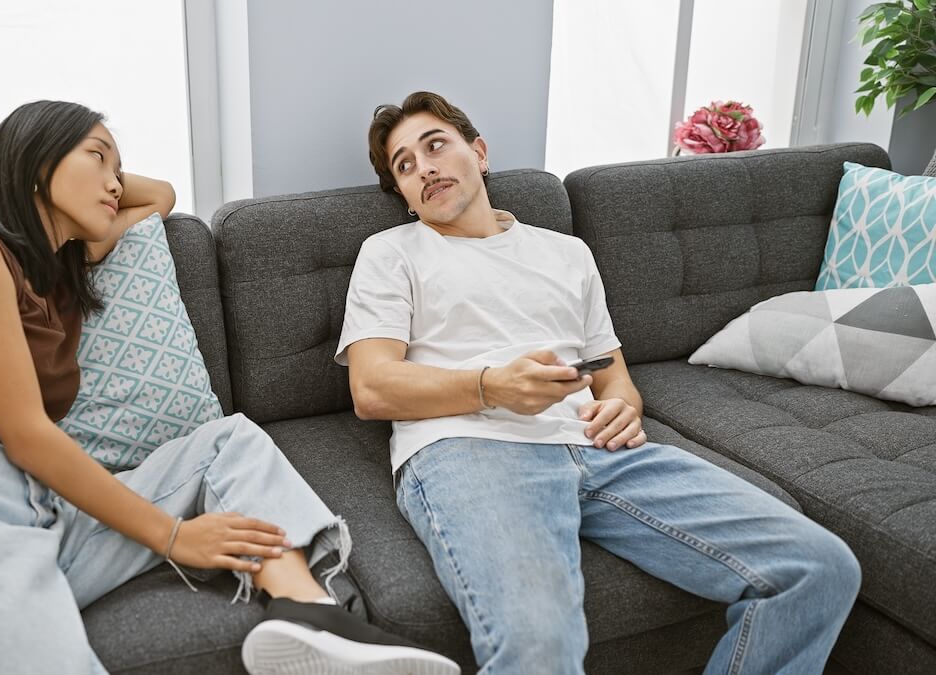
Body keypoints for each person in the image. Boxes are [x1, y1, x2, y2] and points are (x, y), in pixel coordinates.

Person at [0, 99, 458, 675]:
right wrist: (174, 536)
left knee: (227, 444)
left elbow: (161, 197)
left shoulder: (58, 276)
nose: (117, 183)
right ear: (37, 162)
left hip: (36, 509)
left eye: (119, 167)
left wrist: (92, 166)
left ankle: (314, 621)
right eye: (98, 157)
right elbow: (28, 434)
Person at [337, 91, 862, 674]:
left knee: (819, 567)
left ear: (479, 153)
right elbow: (373, 387)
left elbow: (613, 376)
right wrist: (491, 386)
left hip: (601, 449)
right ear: (405, 197)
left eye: (435, 146)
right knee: (541, 644)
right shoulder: (390, 253)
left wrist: (623, 409)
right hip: (470, 450)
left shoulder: (567, 253)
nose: (424, 167)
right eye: (404, 166)